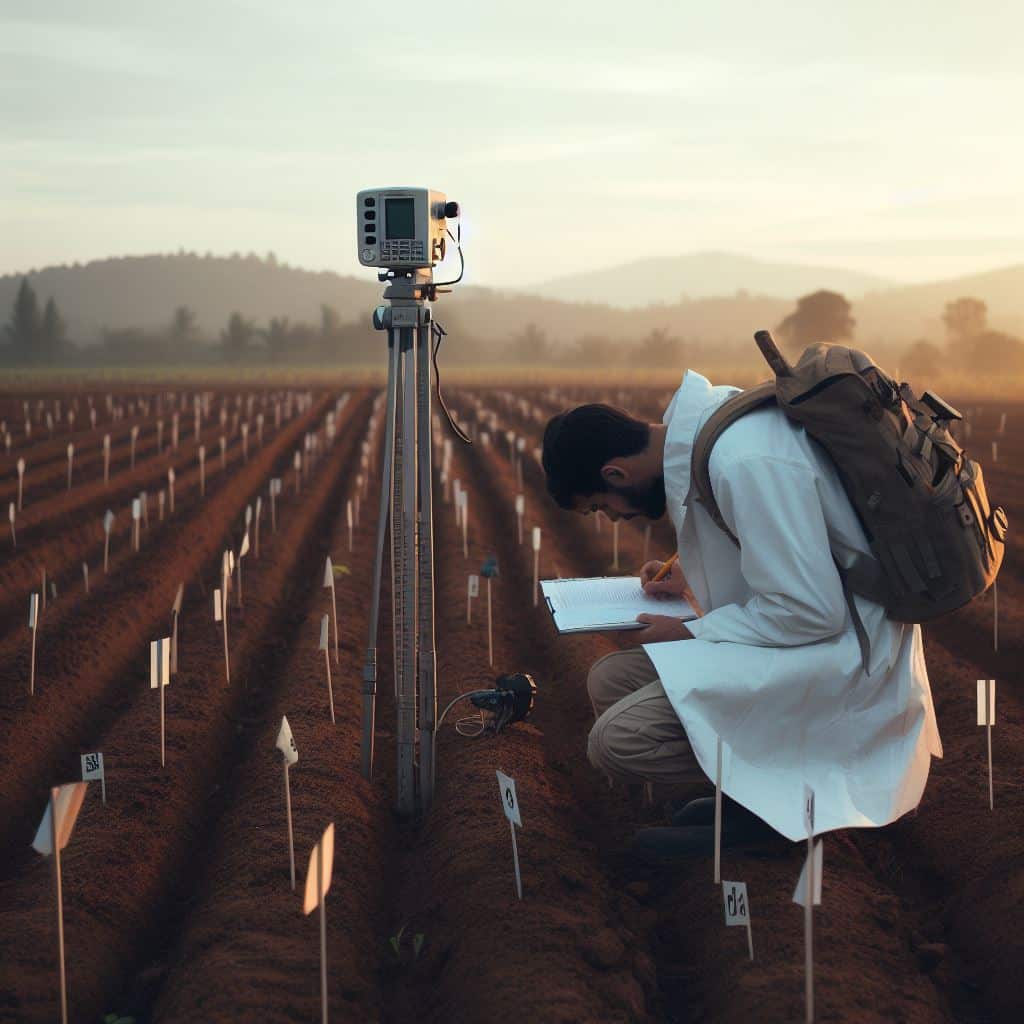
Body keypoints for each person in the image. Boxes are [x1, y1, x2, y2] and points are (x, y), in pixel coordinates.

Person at [541, 369, 943, 860]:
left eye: (602, 507)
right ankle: (747, 802)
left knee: (617, 742)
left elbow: (810, 611)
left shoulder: (741, 461)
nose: (615, 519)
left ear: (615, 473)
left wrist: (691, 630)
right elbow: (789, 547)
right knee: (610, 678)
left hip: (843, 658)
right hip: (805, 641)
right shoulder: (714, 436)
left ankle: (779, 818)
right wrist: (689, 574)